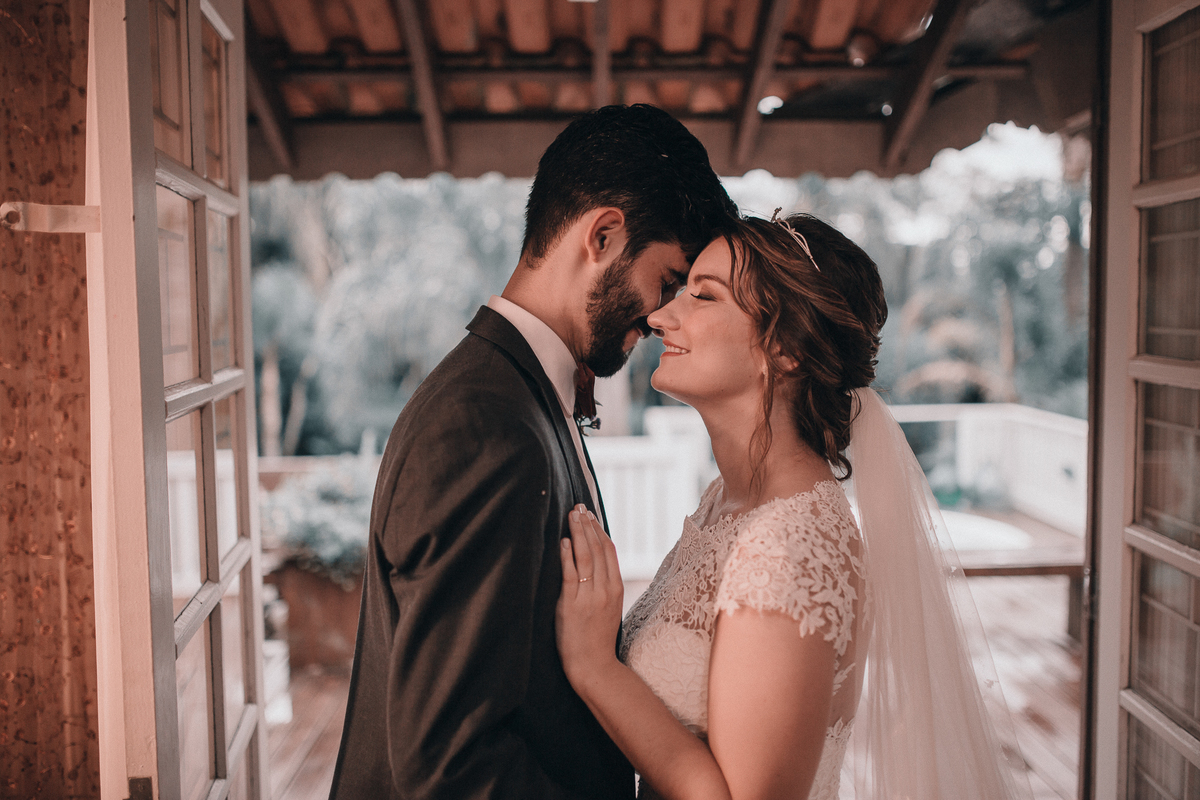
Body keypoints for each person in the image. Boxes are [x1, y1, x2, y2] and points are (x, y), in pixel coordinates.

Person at [328, 104, 739, 800]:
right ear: (603, 235)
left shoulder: (519, 396)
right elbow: (450, 766)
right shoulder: (485, 425)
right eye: (667, 281)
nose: (663, 315)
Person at [554, 213, 1029, 800]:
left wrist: (595, 667)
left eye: (703, 296)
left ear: (784, 350)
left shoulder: (789, 546)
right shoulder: (726, 503)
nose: (659, 316)